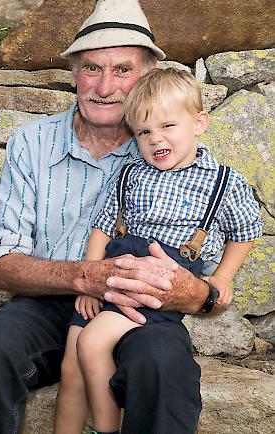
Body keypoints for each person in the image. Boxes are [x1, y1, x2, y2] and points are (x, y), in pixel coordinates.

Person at [0, 1, 228, 433]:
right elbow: (2, 263)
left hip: (138, 312)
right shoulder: (32, 143)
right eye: (91, 68)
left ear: (147, 76)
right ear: (73, 74)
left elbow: (203, 282)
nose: (105, 85)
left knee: (164, 366)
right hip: (46, 306)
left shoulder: (173, 153)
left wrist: (200, 293)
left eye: (123, 69)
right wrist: (86, 277)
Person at [54, 68, 262, 434]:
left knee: (91, 342)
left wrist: (222, 276)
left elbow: (246, 230)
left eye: (168, 126)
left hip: (157, 279)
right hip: (112, 272)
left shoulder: (223, 182)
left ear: (199, 123)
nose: (155, 139)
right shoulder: (132, 174)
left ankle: (105, 429)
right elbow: (104, 225)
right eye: (144, 132)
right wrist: (87, 278)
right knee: (72, 362)